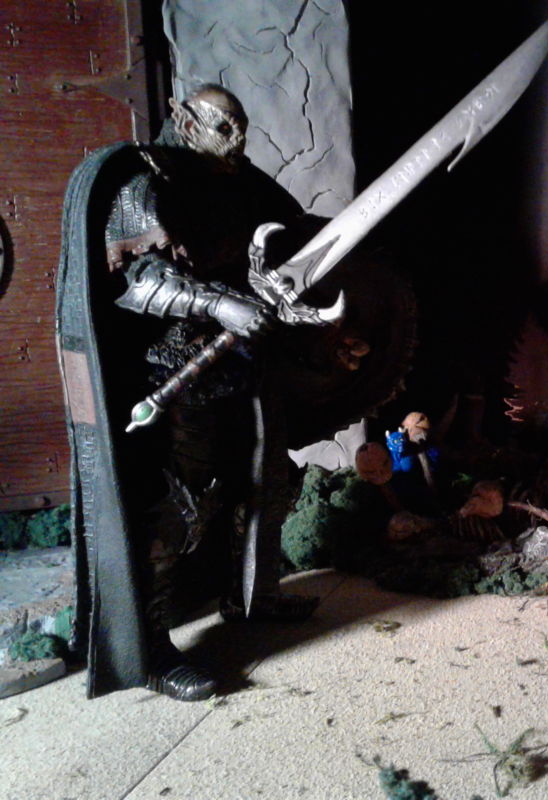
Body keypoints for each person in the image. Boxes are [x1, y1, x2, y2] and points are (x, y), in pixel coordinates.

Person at [57, 86, 324, 702]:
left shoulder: (242, 184)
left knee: (265, 482)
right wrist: (218, 304)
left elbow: (287, 247)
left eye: (240, 126)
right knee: (181, 506)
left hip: (244, 362)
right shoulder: (144, 182)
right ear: (183, 118)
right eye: (223, 126)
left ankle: (252, 596)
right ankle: (151, 649)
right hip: (178, 367)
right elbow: (135, 279)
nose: (237, 138)